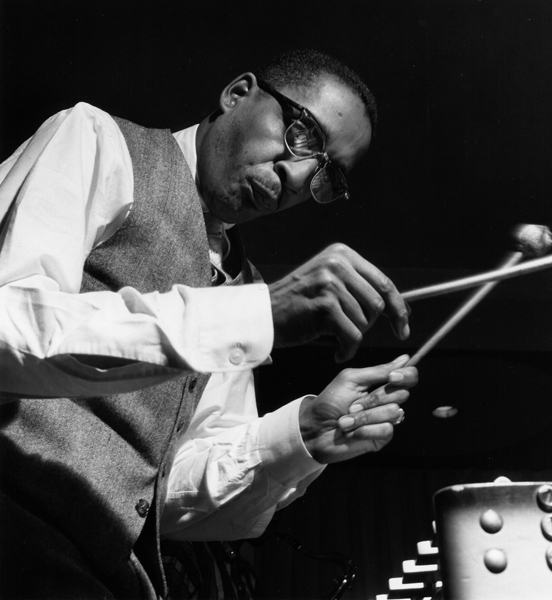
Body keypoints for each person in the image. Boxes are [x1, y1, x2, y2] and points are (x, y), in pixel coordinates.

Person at [0, 49, 417, 599]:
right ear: (237, 93)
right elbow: (8, 326)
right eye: (303, 134)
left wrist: (301, 436)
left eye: (326, 173)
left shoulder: (242, 286)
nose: (297, 176)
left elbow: (165, 493)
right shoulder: (98, 139)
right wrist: (253, 316)